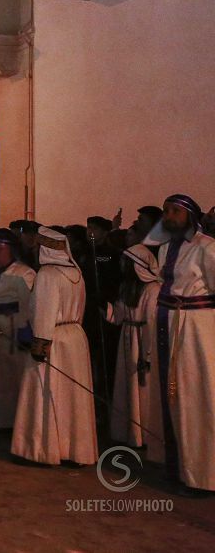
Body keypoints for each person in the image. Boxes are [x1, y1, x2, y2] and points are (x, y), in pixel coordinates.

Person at [143, 194, 215, 493]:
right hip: (170, 325)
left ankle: (204, 474)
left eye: (175, 211)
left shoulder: (207, 248)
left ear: (190, 216)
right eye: (166, 211)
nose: (168, 216)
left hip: (196, 329)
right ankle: (179, 467)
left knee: (197, 397)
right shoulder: (165, 248)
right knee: (174, 397)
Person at [11, 226, 97, 466]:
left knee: (46, 391)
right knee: (73, 397)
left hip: (53, 337)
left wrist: (40, 341)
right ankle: (74, 450)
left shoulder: (48, 274)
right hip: (75, 337)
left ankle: (43, 449)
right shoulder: (76, 273)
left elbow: (44, 311)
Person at [0, 229, 35, 430]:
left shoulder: (24, 273)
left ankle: (12, 423)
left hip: (9, 333)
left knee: (10, 379)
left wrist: (24, 330)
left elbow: (29, 305)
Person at [107, 245, 159, 448]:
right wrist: (107, 308)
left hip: (142, 339)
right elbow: (119, 316)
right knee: (126, 386)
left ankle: (143, 435)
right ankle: (126, 432)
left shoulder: (153, 289)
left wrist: (147, 354)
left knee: (141, 388)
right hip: (127, 337)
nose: (121, 265)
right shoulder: (127, 287)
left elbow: (151, 322)